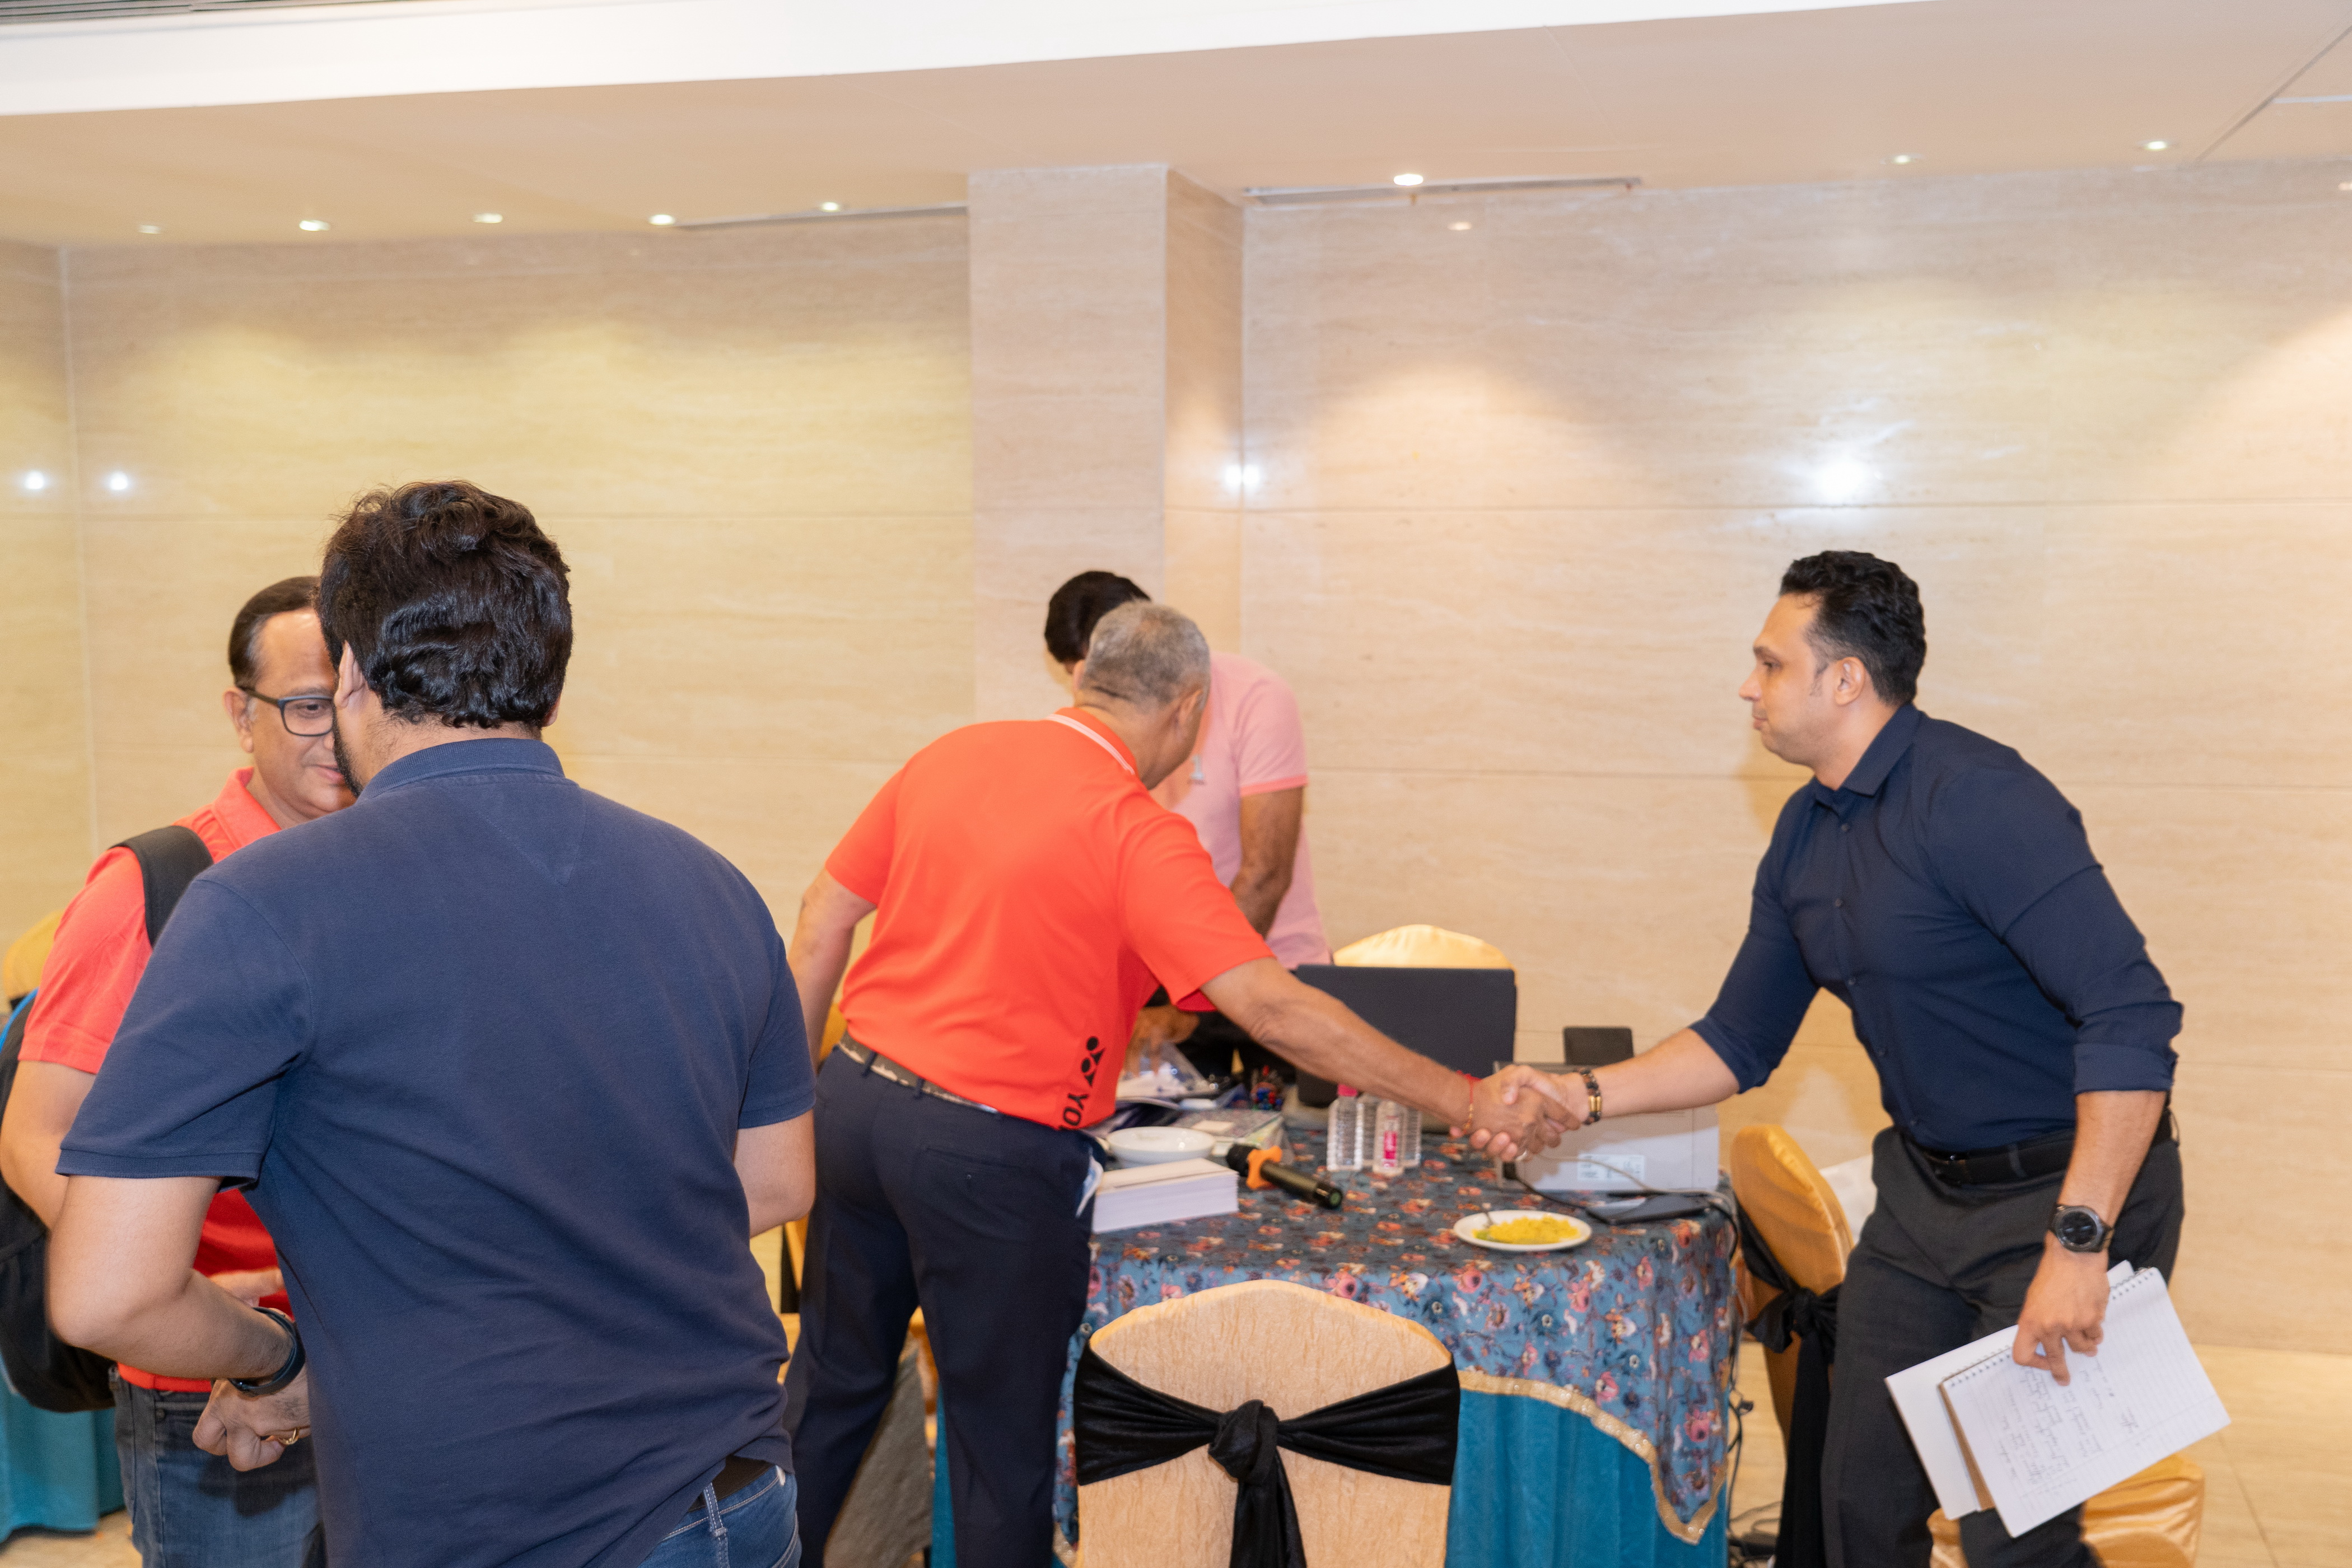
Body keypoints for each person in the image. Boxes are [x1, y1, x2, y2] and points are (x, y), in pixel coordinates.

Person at [45, 481, 816, 1568]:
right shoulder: (710, 881)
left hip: (504, 1520)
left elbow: (106, 1292)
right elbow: (776, 1181)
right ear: (549, 679)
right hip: (741, 1489)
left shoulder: (265, 903)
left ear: (353, 675)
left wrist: (281, 1362)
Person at [781, 599, 1571, 1568]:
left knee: (829, 1392)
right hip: (988, 1156)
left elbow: (822, 917)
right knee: (998, 1449)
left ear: (1084, 679)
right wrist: (1464, 1098)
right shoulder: (1135, 832)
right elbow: (1274, 1011)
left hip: (856, 1104)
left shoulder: (953, 754)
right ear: (1190, 709)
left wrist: (792, 1099)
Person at [1512, 552, 2181, 1568]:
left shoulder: (1981, 799)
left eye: (1769, 664)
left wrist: (2079, 1245)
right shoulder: (1806, 827)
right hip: (1922, 1199)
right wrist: (1578, 1096)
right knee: (1854, 1508)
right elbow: (1738, 1039)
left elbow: (2132, 1015)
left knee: (2017, 1536)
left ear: (1846, 679)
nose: (1747, 687)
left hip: (2068, 1197)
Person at [1, 575, 352, 1566]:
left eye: (355, 700)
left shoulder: (378, 872)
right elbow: (34, 1135)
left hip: (368, 1355)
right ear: (242, 715)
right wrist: (178, 1289)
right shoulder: (156, 888)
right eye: (306, 705)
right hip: (211, 1376)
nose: (335, 733)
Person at [1043, 572, 1331, 1084]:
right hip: (1168, 978)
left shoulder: (1255, 695)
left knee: (1286, 1126)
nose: (1096, 695)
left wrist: (1192, 1004)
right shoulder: (1095, 723)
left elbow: (1265, 874)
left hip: (1268, 966)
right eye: (1081, 676)